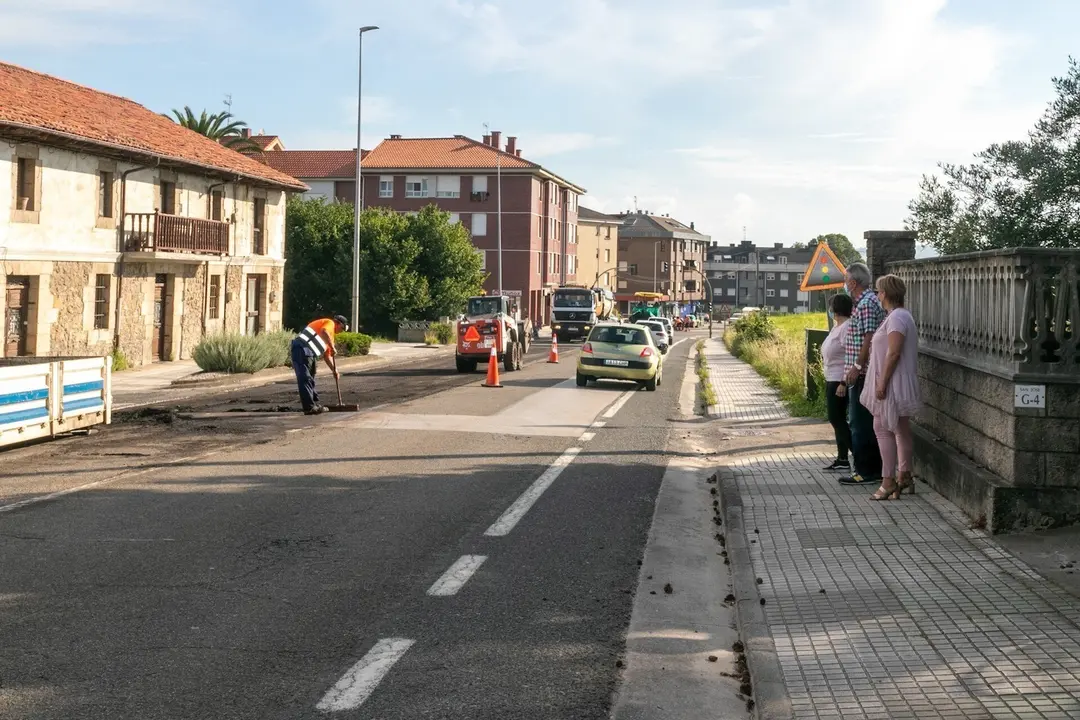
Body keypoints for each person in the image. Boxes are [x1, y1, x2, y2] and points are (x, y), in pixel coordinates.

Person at [862, 275, 921, 500]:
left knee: (883, 428)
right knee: (899, 428)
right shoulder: (900, 316)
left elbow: (894, 352)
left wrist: (882, 382)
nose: (877, 295)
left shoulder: (896, 318)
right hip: (896, 380)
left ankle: (888, 481)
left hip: (893, 381)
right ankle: (903, 476)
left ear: (885, 293)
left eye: (878, 291)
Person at [839, 262, 886, 486]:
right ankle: (869, 468)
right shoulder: (863, 302)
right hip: (860, 372)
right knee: (860, 422)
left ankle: (866, 471)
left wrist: (857, 367)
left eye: (846, 279)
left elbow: (869, 337)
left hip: (863, 373)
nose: (844, 284)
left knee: (860, 423)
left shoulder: (866, 303)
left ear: (853, 282)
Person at [820, 293, 854, 471]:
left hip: (839, 380)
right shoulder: (837, 327)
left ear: (836, 309)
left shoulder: (846, 327)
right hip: (831, 377)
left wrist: (843, 382)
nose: (830, 309)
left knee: (837, 419)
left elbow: (850, 354)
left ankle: (857, 453)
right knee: (837, 419)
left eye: (832, 306)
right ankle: (842, 458)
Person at [291, 315, 347, 415]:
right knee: (305, 377)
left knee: (311, 376)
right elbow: (324, 331)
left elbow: (327, 356)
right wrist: (332, 346)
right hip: (301, 348)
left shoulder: (331, 337)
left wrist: (335, 370)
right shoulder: (330, 323)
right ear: (338, 323)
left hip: (309, 352)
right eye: (342, 328)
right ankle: (309, 407)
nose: (342, 331)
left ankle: (314, 404)